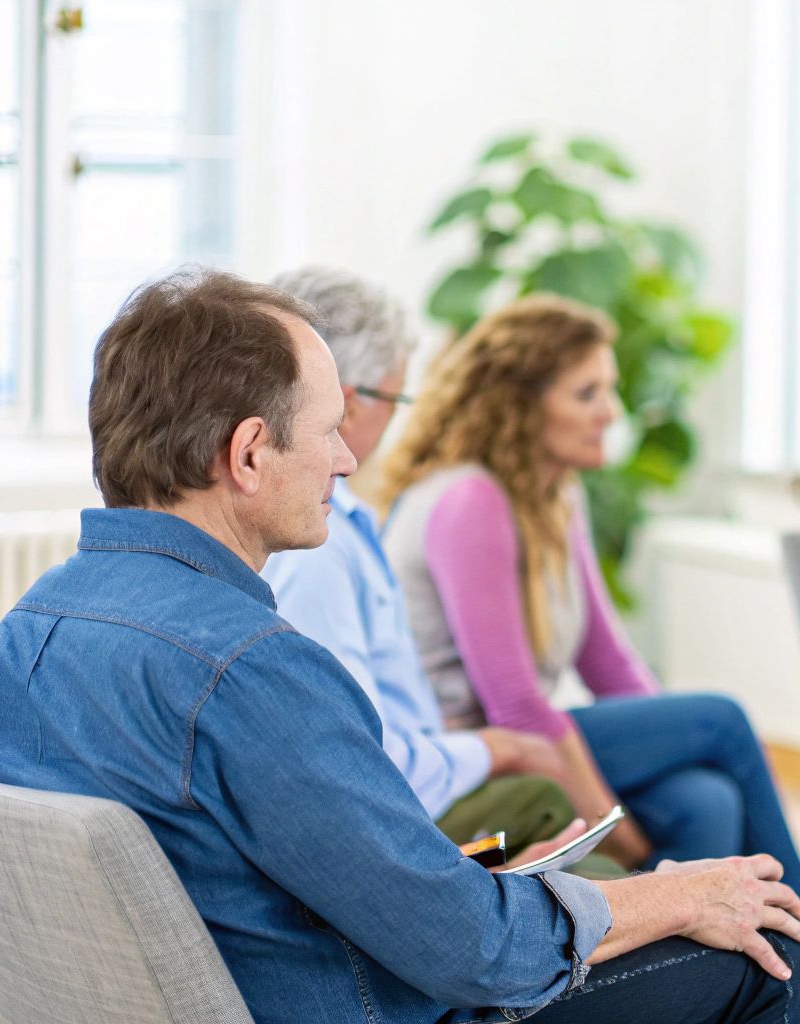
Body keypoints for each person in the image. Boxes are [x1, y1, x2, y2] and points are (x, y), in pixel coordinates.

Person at [0, 268, 800, 1024]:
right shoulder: (251, 670)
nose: (347, 460)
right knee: (765, 949)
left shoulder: (18, 641)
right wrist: (671, 898)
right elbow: (478, 954)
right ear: (247, 455)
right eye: (328, 431)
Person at [374, 293, 800, 1024]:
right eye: (588, 392)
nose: (612, 411)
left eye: (609, 388)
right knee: (721, 720)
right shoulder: (469, 500)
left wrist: (658, 755)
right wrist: (618, 826)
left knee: (706, 798)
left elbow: (610, 663)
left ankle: (707, 986)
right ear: (519, 405)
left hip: (533, 739)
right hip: (478, 757)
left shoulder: (553, 497)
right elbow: (517, 708)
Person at [260, 266, 619, 879]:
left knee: (695, 801)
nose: (350, 448)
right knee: (566, 823)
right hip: (409, 829)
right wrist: (491, 750)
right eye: (395, 400)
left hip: (419, 795)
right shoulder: (319, 548)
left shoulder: (342, 524)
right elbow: (367, 770)